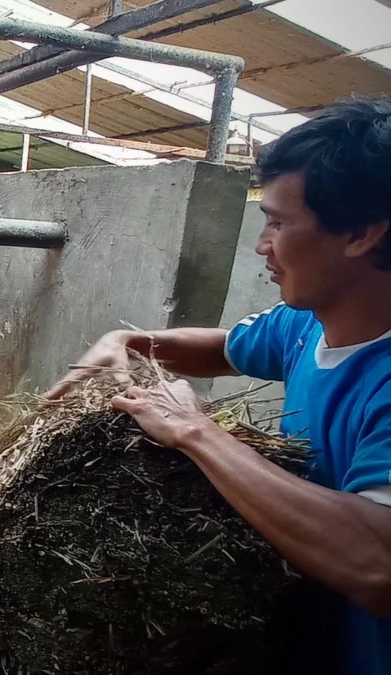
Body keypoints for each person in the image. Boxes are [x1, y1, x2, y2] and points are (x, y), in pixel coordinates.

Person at [46, 96, 391, 674]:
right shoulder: (308, 323)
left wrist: (197, 433)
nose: (263, 246)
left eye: (278, 223)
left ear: (359, 233)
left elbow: (377, 566)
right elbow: (225, 346)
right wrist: (131, 342)